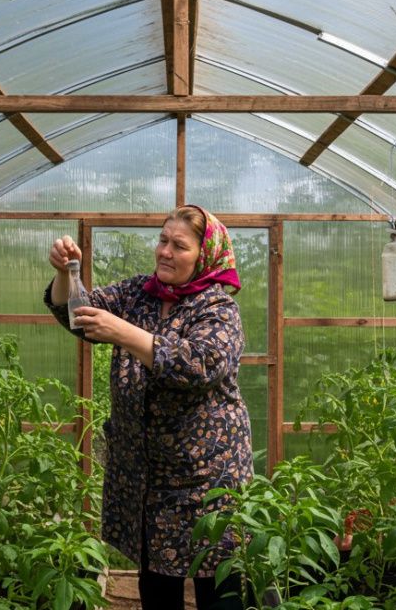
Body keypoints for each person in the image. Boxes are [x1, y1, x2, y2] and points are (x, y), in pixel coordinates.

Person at [44, 205, 253, 610]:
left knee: (218, 583)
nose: (165, 252)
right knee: (156, 583)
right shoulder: (139, 293)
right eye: (162, 240)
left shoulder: (217, 308)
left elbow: (200, 363)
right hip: (146, 474)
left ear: (204, 255)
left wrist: (123, 332)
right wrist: (66, 272)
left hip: (205, 475)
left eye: (180, 245)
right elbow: (78, 314)